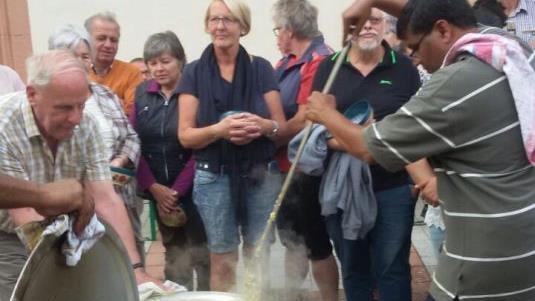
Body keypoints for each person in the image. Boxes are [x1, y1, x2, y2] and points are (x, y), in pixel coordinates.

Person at [308, 0, 535, 300]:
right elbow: (439, 13)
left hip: (481, 267)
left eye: (415, 48)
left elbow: (368, 148)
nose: (414, 59)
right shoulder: (506, 47)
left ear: (443, 30)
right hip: (524, 245)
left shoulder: (455, 84)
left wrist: (325, 113)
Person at [0, 51, 160, 300]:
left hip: (66, 229)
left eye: (82, 104)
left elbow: (106, 198)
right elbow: (24, 216)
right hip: (9, 235)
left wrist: (135, 269)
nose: (76, 117)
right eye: (64, 107)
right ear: (32, 94)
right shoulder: (4, 125)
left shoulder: (87, 124)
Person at [310, 8, 420, 301]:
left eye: (376, 20)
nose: (368, 26)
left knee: (393, 268)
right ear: (349, 27)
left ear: (386, 26)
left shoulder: (404, 68)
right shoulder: (329, 67)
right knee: (354, 269)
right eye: (361, 21)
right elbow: (318, 127)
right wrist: (367, 140)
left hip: (393, 186)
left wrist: (357, 136)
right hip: (341, 187)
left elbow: (416, 127)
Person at [177, 0, 287, 291]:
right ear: (206, 25)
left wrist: (262, 126)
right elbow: (186, 135)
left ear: (243, 27)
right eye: (214, 19)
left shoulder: (261, 68)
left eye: (228, 19)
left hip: (260, 173)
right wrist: (219, 130)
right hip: (213, 174)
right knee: (223, 256)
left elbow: (280, 127)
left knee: (257, 253)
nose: (220, 26)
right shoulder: (193, 72)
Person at [47, 24, 145, 264]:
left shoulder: (105, 94)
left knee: (129, 263)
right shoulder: (49, 105)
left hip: (119, 193)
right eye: (75, 56)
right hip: (79, 205)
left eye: (85, 57)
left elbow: (130, 136)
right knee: (92, 267)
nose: (83, 63)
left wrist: (121, 160)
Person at [271, 1, 339, 301]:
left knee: (315, 243)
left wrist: (267, 135)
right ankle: (292, 296)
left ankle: (328, 298)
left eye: (277, 29)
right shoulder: (285, 62)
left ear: (290, 29)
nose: (276, 36)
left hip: (305, 169)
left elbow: (304, 119)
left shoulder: (319, 61)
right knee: (292, 241)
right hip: (284, 166)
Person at [132, 31, 209, 290]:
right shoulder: (142, 93)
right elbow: (133, 143)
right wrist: (154, 187)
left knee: (202, 253)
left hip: (195, 188)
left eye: (165, 61)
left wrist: (175, 191)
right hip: (158, 190)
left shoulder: (194, 91)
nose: (158, 69)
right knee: (175, 256)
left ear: (180, 60)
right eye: (152, 63)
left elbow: (201, 145)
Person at [85, 11, 143, 115]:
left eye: (113, 40)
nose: (108, 45)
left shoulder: (131, 73)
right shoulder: (77, 71)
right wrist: (115, 103)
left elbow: (133, 112)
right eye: (101, 38)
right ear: (86, 40)